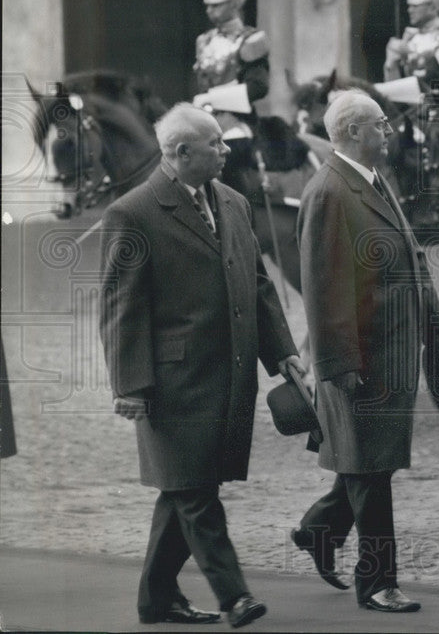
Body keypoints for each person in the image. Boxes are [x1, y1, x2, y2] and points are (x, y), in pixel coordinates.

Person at [99, 104, 304, 628]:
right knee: (194, 493)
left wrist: (284, 354)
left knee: (186, 487)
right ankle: (235, 595)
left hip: (227, 376)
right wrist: (129, 386)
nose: (227, 149)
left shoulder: (233, 202)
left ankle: (156, 599)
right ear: (181, 153)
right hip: (171, 386)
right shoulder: (134, 213)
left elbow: (257, 284)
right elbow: (120, 308)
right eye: (216, 143)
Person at [295, 90, 439, 613]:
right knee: (367, 470)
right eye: (382, 125)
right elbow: (322, 287)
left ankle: (320, 529)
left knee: (370, 465)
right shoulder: (329, 192)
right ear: (356, 132)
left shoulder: (372, 181)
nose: (391, 132)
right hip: (359, 360)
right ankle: (378, 582)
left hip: (391, 355)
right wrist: (339, 364)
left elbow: (411, 257)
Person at [192, 0, 269, 141]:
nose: (209, 10)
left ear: (233, 5)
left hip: (238, 121)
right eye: (207, 5)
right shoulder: (203, 40)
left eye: (216, 5)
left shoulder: (251, 39)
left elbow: (258, 87)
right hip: (204, 118)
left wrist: (211, 98)